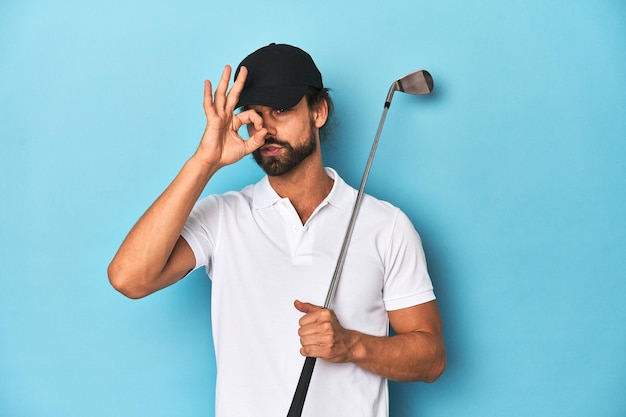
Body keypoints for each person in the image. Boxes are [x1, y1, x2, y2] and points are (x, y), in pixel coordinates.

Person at [108, 43, 445, 417]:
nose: (265, 129)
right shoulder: (223, 216)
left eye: (282, 111)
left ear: (318, 111)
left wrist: (351, 345)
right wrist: (205, 162)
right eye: (254, 115)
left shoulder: (386, 225)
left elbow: (430, 359)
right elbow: (129, 279)